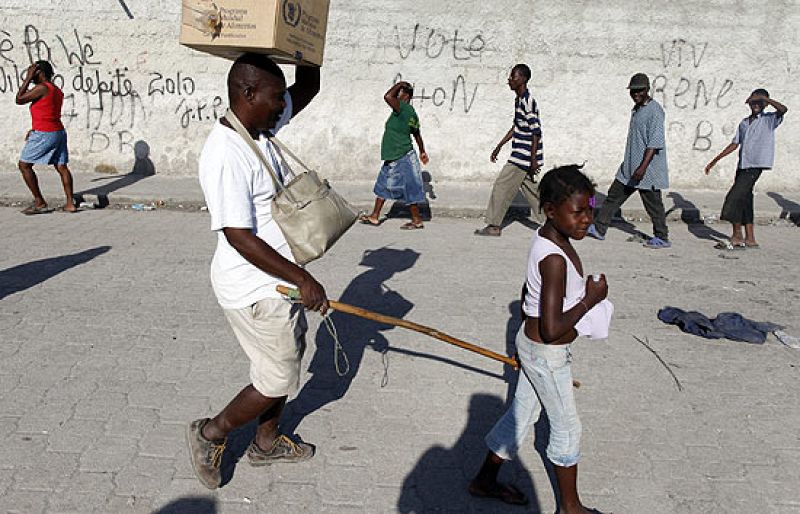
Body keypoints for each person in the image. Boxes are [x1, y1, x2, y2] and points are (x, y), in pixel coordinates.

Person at [188, 53, 327, 490]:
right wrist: (303, 279)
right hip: (253, 287)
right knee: (277, 376)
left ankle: (266, 443)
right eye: (274, 96)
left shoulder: (260, 129)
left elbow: (308, 87)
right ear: (248, 94)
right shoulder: (227, 152)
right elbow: (238, 236)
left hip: (278, 282)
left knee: (284, 363)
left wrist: (304, 42)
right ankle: (211, 433)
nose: (282, 103)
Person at [469, 165, 612, 512]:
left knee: (522, 413)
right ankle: (570, 507)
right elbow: (550, 329)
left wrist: (524, 344)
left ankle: (484, 480)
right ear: (550, 211)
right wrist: (590, 300)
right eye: (578, 212)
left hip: (534, 349)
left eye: (589, 209)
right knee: (566, 428)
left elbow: (526, 293)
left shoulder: (548, 239)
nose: (586, 219)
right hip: (547, 353)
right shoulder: (554, 259)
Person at [587, 73, 670, 249]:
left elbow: (654, 143)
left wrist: (642, 168)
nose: (635, 94)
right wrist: (632, 166)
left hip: (647, 171)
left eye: (639, 91)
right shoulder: (637, 109)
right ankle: (599, 229)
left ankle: (662, 237)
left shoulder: (655, 111)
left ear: (647, 90)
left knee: (654, 205)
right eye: (632, 91)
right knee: (613, 197)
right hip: (629, 168)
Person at [704, 88, 787, 249]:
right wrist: (715, 160)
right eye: (753, 102)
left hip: (755, 166)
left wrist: (765, 99)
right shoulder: (744, 122)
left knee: (734, 198)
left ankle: (736, 236)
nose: (755, 105)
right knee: (746, 200)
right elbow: (735, 144)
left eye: (759, 102)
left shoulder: (769, 120)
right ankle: (750, 238)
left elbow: (783, 109)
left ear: (764, 104)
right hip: (743, 165)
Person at [474, 64, 544, 237]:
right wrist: (500, 145)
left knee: (501, 187)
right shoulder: (519, 100)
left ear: (523, 79)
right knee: (533, 193)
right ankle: (553, 223)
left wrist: (533, 159)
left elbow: (536, 131)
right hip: (523, 155)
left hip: (523, 157)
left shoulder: (527, 101)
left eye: (513, 77)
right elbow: (517, 127)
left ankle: (494, 226)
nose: (509, 80)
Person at [360, 81, 429, 230]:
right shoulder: (409, 112)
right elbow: (417, 134)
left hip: (402, 155)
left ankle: (417, 219)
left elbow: (387, 96)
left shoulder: (402, 107)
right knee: (383, 184)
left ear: (405, 95)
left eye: (400, 93)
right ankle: (375, 216)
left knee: (409, 187)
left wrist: (399, 84)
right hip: (394, 155)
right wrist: (422, 151)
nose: (397, 95)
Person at [16, 60, 77, 214]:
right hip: (58, 132)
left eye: (33, 72)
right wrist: (34, 128)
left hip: (45, 133)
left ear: (39, 73)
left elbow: (19, 99)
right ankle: (70, 203)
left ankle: (39, 201)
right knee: (62, 167)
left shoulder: (42, 88)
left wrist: (28, 78)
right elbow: (47, 111)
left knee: (24, 165)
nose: (30, 74)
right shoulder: (56, 89)